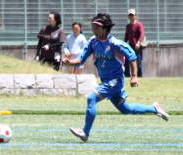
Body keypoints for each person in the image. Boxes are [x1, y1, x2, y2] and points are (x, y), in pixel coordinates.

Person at [62, 13, 169, 142]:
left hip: (115, 80)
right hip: (106, 81)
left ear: (105, 28)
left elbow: (132, 57)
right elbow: (80, 60)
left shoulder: (114, 43)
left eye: (97, 28)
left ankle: (85, 132)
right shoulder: (93, 42)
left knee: (91, 98)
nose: (94, 31)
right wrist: (69, 62)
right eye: (92, 28)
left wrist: (134, 76)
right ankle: (155, 109)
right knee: (126, 109)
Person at [124, 8, 145, 77]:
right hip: (130, 46)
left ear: (135, 16)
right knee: (126, 60)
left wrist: (138, 43)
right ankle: (127, 75)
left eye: (132, 15)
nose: (131, 16)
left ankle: (140, 76)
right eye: (129, 15)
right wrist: (123, 44)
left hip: (137, 46)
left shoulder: (139, 25)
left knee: (138, 62)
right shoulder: (128, 26)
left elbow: (141, 34)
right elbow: (126, 36)